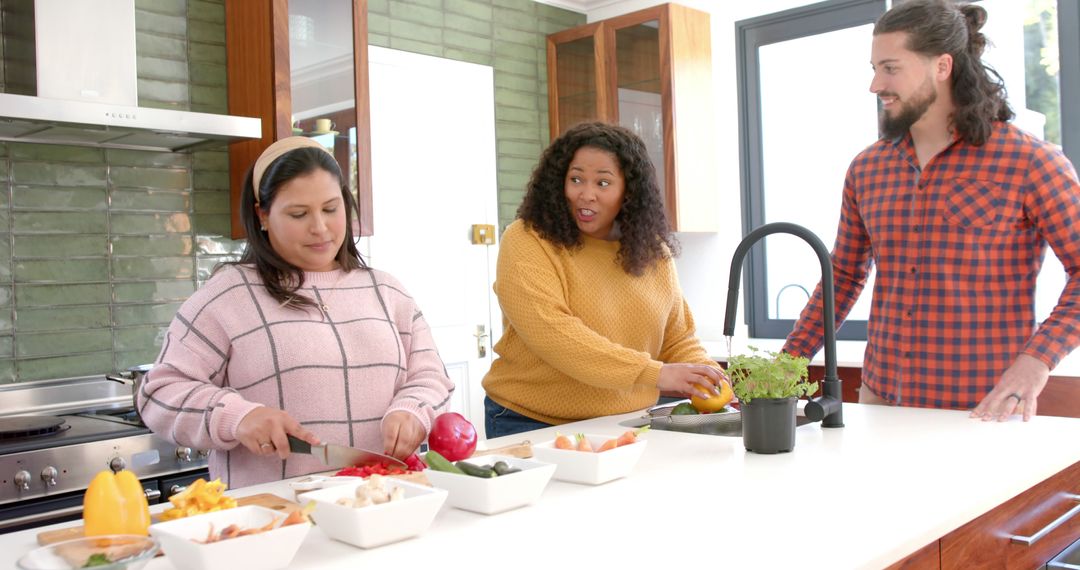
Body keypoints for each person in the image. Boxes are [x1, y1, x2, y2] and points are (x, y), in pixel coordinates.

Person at [782, 0, 1080, 422]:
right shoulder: (867, 168)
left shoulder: (1031, 162)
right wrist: (784, 365)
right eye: (873, 68)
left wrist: (1038, 360)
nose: (875, 85)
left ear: (942, 66)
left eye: (890, 68)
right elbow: (843, 277)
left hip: (983, 411)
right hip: (881, 401)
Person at [137, 137, 453, 488]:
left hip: (383, 501)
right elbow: (159, 393)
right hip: (277, 517)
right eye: (299, 214)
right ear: (262, 215)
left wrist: (412, 409)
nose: (319, 227)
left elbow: (431, 376)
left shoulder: (386, 291)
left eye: (331, 209)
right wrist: (239, 417)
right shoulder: (228, 295)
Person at [481, 122, 726, 438]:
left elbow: (677, 339)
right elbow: (554, 334)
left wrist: (706, 376)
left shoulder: (652, 251)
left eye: (603, 182)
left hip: (628, 423)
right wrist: (655, 373)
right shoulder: (528, 240)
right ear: (559, 183)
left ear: (629, 191)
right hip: (533, 421)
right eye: (576, 179)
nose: (587, 194)